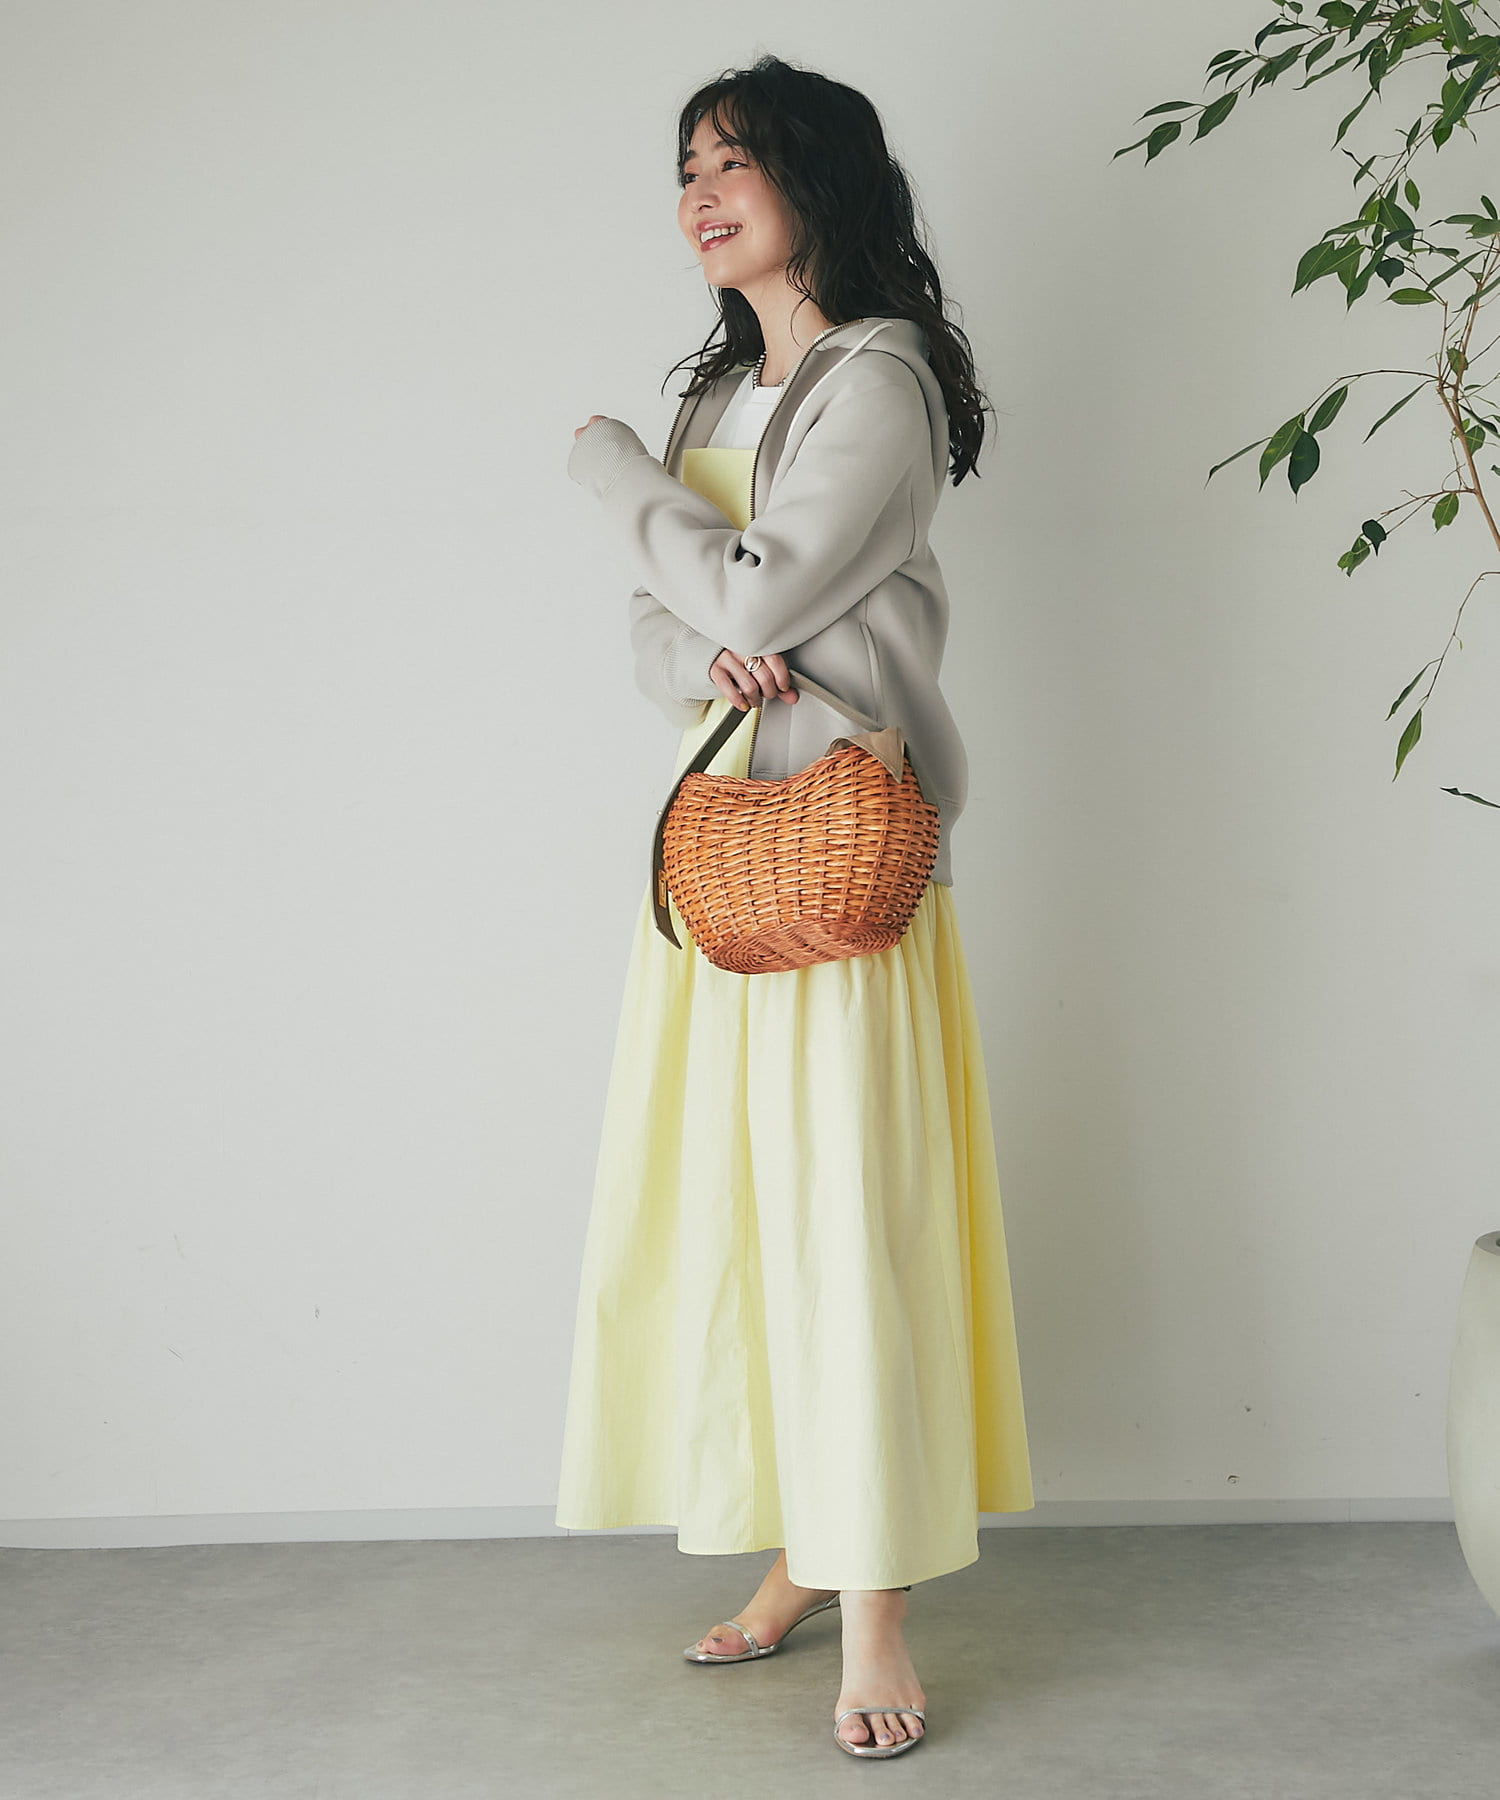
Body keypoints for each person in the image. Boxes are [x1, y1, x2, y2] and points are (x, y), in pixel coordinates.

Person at [556, 54, 1035, 1761]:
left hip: (843, 867)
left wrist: (614, 473)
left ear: (814, 177)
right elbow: (664, 625)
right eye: (686, 166)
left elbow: (749, 584)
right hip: (722, 857)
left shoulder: (877, 380)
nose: (699, 192)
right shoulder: (723, 397)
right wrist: (701, 649)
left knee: (851, 1228)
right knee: (752, 1224)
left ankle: (877, 1609)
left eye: (733, 161)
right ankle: (802, 1553)